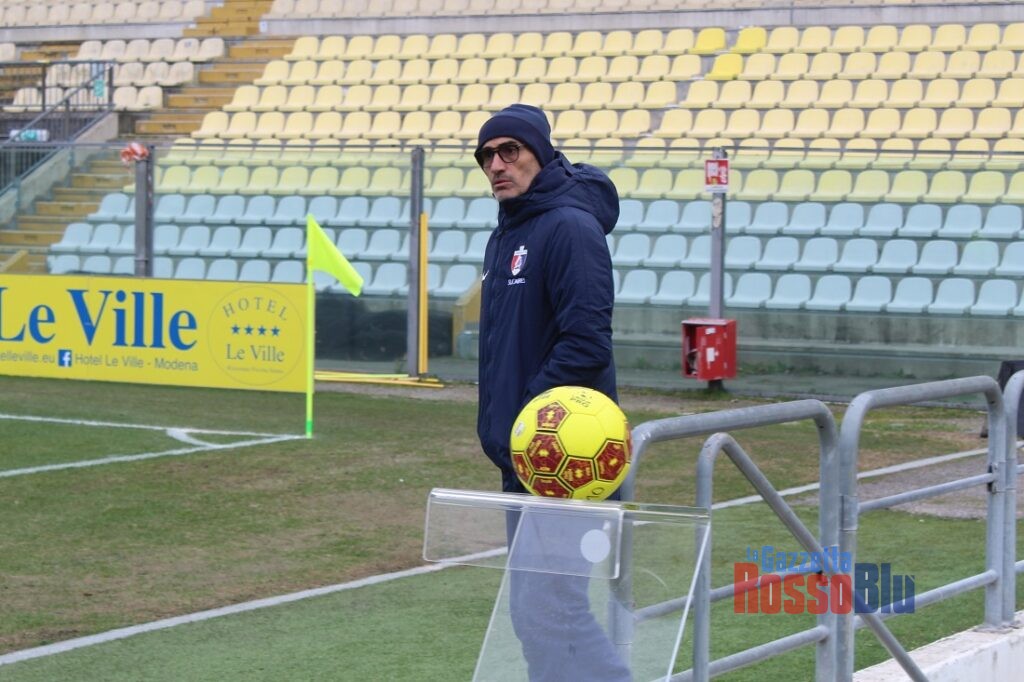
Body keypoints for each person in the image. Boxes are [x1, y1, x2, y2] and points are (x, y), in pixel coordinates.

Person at [473, 104, 630, 681]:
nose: (496, 165)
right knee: (535, 617)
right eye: (486, 156)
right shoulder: (508, 232)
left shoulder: (569, 227)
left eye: (509, 151)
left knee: (551, 612)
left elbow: (586, 344)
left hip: (566, 461)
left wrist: (526, 419)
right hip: (527, 460)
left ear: (540, 153)